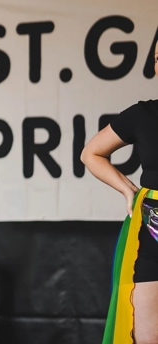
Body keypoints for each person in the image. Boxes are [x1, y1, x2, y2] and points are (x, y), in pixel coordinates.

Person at [83, 40, 158, 344]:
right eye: (157, 57)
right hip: (151, 233)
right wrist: (128, 189)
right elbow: (92, 154)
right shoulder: (143, 115)